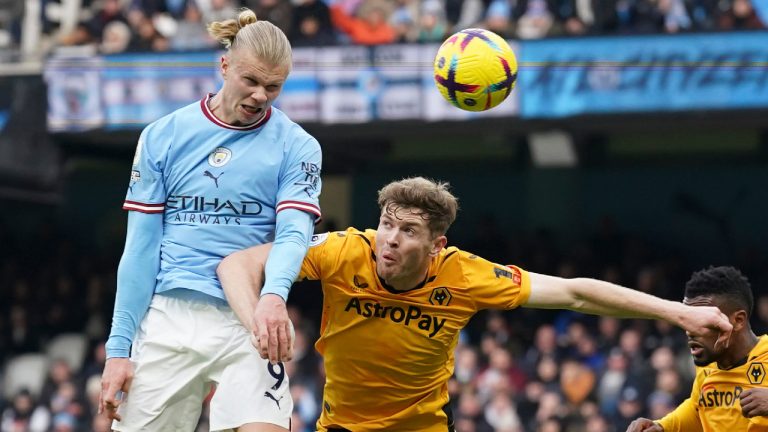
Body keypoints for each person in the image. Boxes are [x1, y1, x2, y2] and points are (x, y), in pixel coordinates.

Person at [217, 176, 732, 432]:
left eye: (408, 230)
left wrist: (680, 312)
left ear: (436, 245)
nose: (390, 239)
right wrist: (264, 309)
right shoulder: (340, 251)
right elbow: (237, 265)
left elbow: (575, 291)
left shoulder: (465, 275)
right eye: (387, 224)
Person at [99, 8, 322, 432]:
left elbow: (295, 233)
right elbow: (140, 249)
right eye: (251, 81)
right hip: (168, 316)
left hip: (247, 315)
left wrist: (274, 296)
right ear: (224, 66)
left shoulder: (298, 146)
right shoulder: (163, 135)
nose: (261, 95)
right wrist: (118, 350)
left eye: (273, 87)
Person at [627, 266, 768, 432]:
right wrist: (662, 426)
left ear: (738, 320)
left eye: (702, 322)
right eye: (688, 321)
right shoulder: (708, 362)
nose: (689, 331)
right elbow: (696, 408)